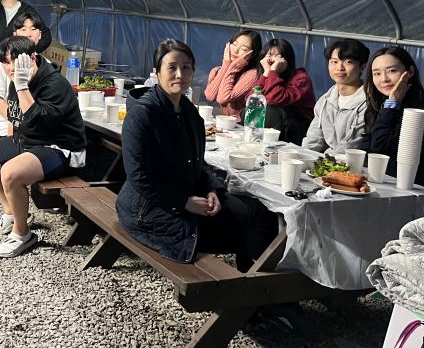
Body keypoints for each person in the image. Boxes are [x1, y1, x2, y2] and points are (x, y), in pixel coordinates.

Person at [116, 39, 278, 270]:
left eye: (186, 67)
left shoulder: (188, 111)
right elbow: (139, 177)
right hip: (147, 209)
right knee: (241, 230)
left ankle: (253, 278)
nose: (179, 74)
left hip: (187, 192)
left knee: (259, 212)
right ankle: (252, 285)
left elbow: (196, 163)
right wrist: (184, 203)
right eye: (172, 67)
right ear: (156, 72)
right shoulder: (142, 115)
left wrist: (212, 189)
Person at [0, 35, 86, 258]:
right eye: (5, 63)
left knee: (10, 172)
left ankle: (22, 233)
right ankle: (12, 212)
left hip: (60, 148)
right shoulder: (17, 79)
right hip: (30, 141)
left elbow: (38, 122)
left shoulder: (55, 84)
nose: (10, 68)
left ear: (32, 58)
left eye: (15, 61)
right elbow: (16, 118)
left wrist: (22, 87)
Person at [0, 12, 45, 143]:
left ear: (40, 34)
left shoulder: (44, 63)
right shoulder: (4, 59)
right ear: (15, 34)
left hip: (31, 131)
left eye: (33, 29)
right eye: (23, 29)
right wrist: (16, 123)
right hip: (1, 129)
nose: (28, 34)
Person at [364, 46, 424, 184]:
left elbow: (380, 150)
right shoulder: (378, 104)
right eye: (377, 73)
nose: (384, 79)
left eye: (392, 71)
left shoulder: (418, 112)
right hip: (385, 181)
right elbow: (368, 148)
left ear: (410, 71)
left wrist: (392, 104)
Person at [302, 38, 370, 154]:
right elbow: (313, 138)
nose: (339, 68)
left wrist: (325, 160)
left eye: (348, 62)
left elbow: (352, 146)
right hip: (329, 160)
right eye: (334, 62)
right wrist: (302, 156)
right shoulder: (325, 100)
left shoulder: (368, 102)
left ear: (362, 66)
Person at [256, 38, 316, 144]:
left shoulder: (301, 78)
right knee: (252, 110)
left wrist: (273, 72)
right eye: (269, 55)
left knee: (270, 111)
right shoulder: (267, 74)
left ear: (287, 59)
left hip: (297, 128)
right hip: (278, 125)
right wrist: (266, 73)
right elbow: (251, 99)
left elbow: (275, 99)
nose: (273, 60)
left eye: (278, 56)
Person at [203, 29, 262, 120]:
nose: (236, 50)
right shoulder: (216, 70)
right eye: (234, 44)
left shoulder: (252, 74)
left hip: (241, 125)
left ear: (252, 54)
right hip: (225, 124)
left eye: (243, 49)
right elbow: (210, 96)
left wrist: (233, 67)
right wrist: (226, 65)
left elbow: (222, 98)